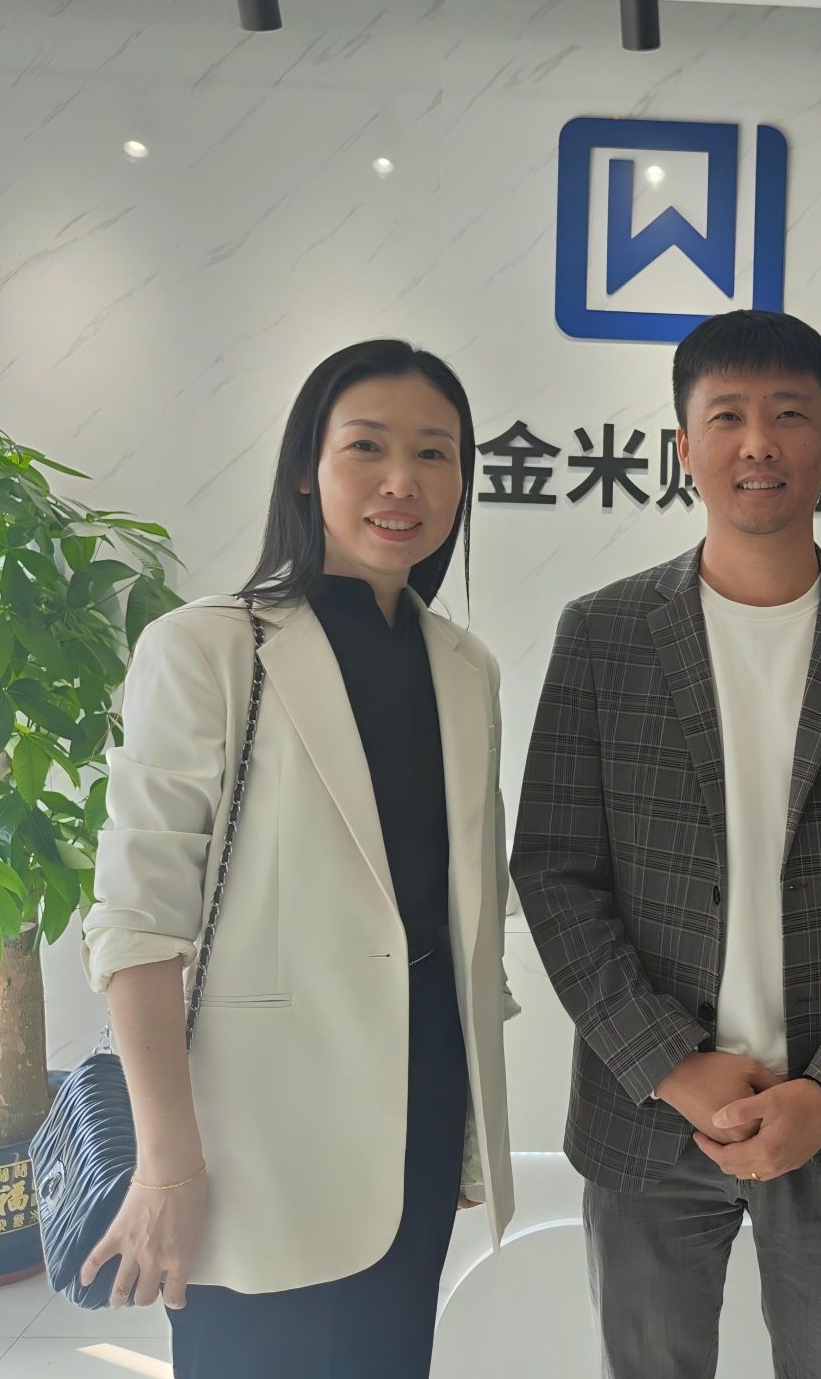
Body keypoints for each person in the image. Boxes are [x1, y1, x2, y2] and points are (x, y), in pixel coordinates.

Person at [512, 309, 821, 1379]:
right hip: (648, 1116)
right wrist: (671, 1065)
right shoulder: (605, 634)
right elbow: (555, 872)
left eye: (788, 416)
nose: (757, 443)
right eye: (726, 417)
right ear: (684, 446)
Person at [77, 340, 514, 1379]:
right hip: (253, 1132)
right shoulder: (208, 649)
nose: (402, 481)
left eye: (435, 453)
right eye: (366, 447)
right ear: (306, 469)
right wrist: (167, 1164)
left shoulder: (465, 668)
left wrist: (461, 1129)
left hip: (418, 1108)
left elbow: (460, 915)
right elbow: (136, 926)